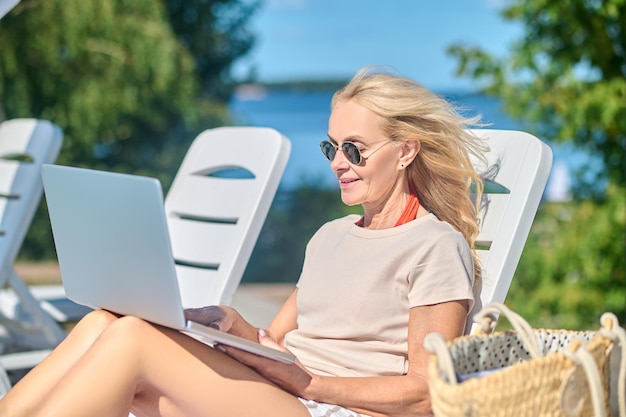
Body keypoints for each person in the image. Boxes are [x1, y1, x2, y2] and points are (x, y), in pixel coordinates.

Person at [0, 66, 486, 417]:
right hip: (283, 392)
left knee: (132, 341)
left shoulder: (434, 246)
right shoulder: (329, 237)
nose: (338, 162)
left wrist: (311, 382)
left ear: (405, 151)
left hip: (331, 408)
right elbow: (273, 341)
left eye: (354, 148)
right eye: (330, 147)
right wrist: (232, 325)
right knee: (105, 321)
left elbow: (426, 393)